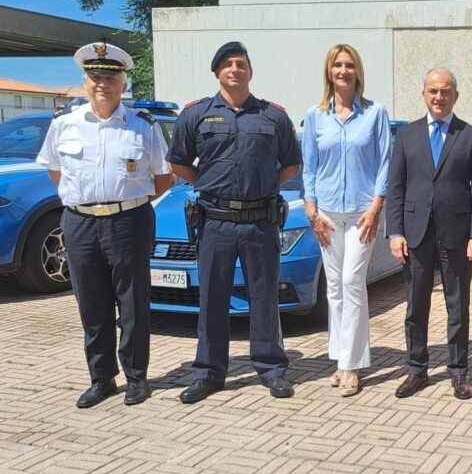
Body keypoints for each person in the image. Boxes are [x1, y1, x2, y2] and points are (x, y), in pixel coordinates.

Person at [37, 42, 173, 408]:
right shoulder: (64, 124)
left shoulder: (142, 126)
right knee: (91, 305)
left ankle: (136, 378)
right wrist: (87, 201)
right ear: (84, 81)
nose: (103, 84)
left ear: (123, 83)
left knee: (133, 304)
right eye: (96, 77)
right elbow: (55, 170)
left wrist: (126, 201)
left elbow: (164, 177)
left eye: (111, 77)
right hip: (80, 223)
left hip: (129, 220)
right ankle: (101, 379)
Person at [166, 42, 303, 403]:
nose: (235, 70)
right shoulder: (196, 114)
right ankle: (208, 373)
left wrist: (266, 186)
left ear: (250, 72)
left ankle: (272, 369)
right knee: (212, 299)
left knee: (264, 298)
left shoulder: (273, 116)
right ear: (217, 73)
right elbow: (178, 162)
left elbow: (292, 163)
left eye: (241, 64)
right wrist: (206, 182)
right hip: (215, 222)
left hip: (261, 220)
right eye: (227, 65)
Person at [387, 67, 472, 400]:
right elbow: (397, 186)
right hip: (415, 235)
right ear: (424, 94)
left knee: (457, 305)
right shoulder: (407, 136)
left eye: (445, 91)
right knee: (415, 306)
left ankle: (458, 371)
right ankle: (417, 369)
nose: (439, 97)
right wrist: (395, 231)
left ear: (455, 96)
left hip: (457, 235)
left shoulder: (471, 136)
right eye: (433, 91)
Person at [302, 44, 391, 396]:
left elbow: (385, 162)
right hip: (325, 215)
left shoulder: (375, 113)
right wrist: (310, 211)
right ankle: (341, 357)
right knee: (335, 287)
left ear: (358, 71)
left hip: (360, 215)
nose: (343, 71)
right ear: (329, 71)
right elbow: (309, 166)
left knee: (353, 282)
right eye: (337, 65)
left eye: (349, 65)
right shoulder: (314, 116)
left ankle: (351, 364)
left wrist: (375, 208)